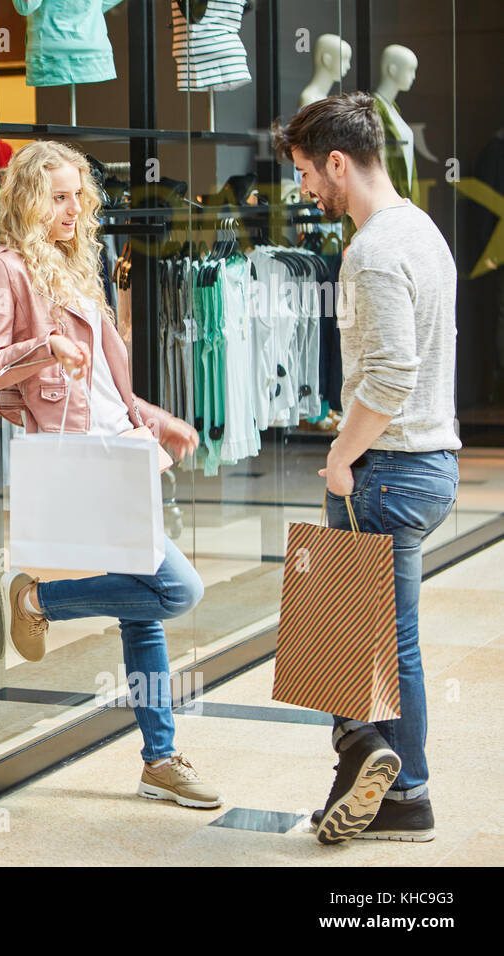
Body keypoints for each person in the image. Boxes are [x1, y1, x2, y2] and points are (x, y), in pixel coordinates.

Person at [0, 140, 221, 810]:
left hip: (120, 447)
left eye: (79, 195)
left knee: (146, 615)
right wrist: (40, 347)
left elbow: (107, 380)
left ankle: (159, 760)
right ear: (27, 199)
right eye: (58, 196)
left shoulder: (85, 263)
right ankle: (38, 602)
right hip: (80, 457)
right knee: (175, 590)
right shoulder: (9, 268)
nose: (74, 208)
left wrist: (158, 420)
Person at [272, 92, 459, 845]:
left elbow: (391, 374)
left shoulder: (374, 251)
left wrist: (342, 456)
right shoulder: (423, 231)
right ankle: (397, 791)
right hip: (430, 462)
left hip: (384, 467)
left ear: (339, 163)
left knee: (337, 631)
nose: (306, 190)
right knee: (386, 637)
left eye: (308, 174)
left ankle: (367, 755)